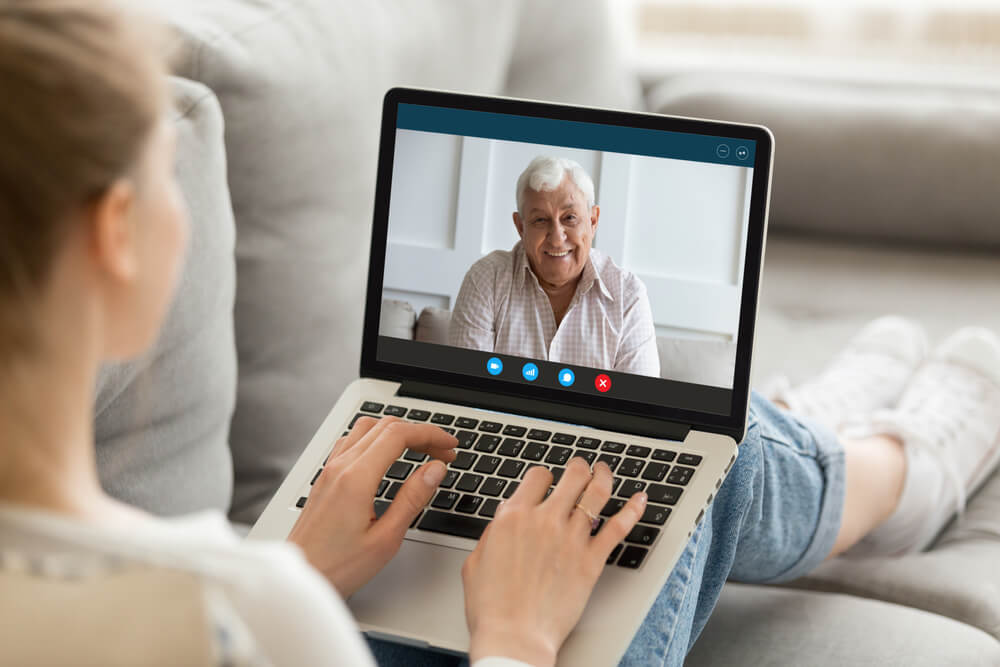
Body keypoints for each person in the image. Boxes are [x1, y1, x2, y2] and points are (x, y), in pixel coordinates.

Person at [3, 3, 1000, 667]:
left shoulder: (239, 595)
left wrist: (303, 563)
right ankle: (893, 471)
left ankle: (834, 439)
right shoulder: (234, 610)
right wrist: (516, 638)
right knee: (694, 458)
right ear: (117, 238)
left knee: (666, 441)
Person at [449, 156, 660, 377]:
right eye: (540, 220)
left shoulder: (628, 296)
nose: (557, 239)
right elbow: (465, 386)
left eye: (570, 218)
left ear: (593, 221)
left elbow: (634, 406)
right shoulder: (486, 279)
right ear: (521, 227)